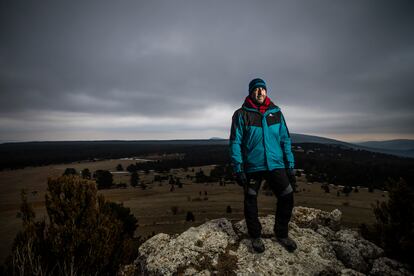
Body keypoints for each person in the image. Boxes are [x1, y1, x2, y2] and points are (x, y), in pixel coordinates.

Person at [229, 78, 297, 253]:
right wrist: (238, 168)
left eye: (262, 89)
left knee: (287, 195)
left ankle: (281, 233)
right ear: (251, 92)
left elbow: (285, 139)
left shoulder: (277, 112)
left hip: (276, 163)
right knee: (250, 198)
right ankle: (256, 236)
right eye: (256, 89)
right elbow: (235, 142)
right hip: (253, 165)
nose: (260, 92)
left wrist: (290, 164)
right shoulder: (241, 114)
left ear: (266, 91)